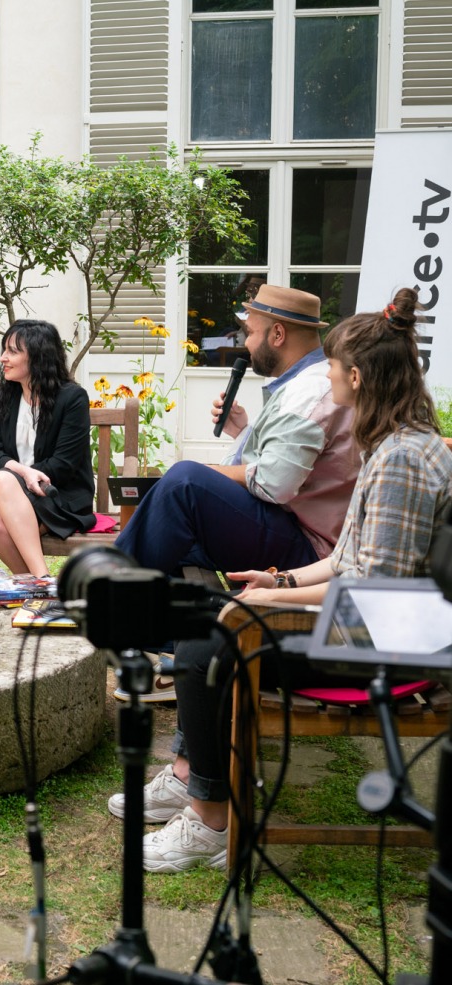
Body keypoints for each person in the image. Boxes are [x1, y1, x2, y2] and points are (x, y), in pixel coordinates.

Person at [128, 287, 452, 872]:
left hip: (384, 647)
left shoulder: (402, 459)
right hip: (375, 624)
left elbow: (371, 590)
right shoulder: (394, 447)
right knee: (215, 615)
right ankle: (200, 787)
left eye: (330, 368)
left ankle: (207, 819)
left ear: (355, 375)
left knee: (207, 642)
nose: (326, 381)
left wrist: (277, 596)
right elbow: (348, 560)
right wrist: (279, 581)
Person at [116, 284, 358, 582]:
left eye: (251, 333)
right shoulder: (308, 384)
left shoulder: (309, 391)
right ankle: (135, 606)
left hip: (312, 552)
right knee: (169, 532)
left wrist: (213, 472)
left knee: (185, 482)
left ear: (278, 334)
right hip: (295, 532)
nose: (247, 344)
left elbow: (275, 483)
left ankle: (102, 587)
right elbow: (280, 467)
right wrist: (243, 431)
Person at [0, 319, 95, 577]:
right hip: (7, 489)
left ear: (37, 357)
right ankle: (44, 581)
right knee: (4, 481)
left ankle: (34, 587)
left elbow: (63, 465)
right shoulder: (5, 394)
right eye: (4, 349)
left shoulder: (72, 398)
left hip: (55, 493)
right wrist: (18, 474)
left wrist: (6, 477)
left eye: (12, 351)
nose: (3, 357)